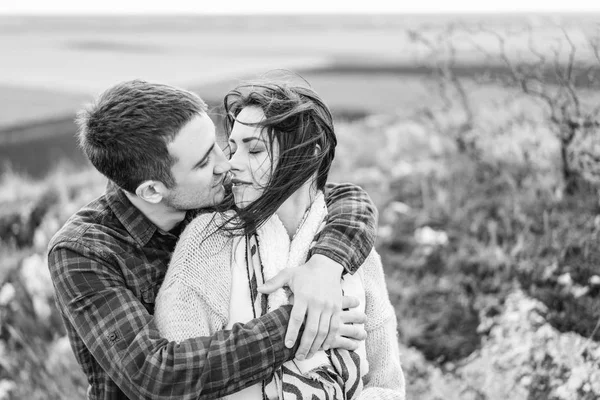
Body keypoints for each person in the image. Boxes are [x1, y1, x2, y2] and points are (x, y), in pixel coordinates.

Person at [47, 79, 379, 400]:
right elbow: (159, 378)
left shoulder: (215, 189)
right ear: (152, 191)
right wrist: (303, 323)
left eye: (219, 145)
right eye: (206, 161)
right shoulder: (84, 251)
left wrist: (324, 266)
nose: (228, 164)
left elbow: (340, 197)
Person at [155, 81, 405, 399]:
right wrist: (293, 331)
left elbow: (386, 382)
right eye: (233, 149)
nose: (232, 163)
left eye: (254, 149)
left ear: (310, 153)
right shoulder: (209, 240)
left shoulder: (352, 249)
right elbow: (180, 377)